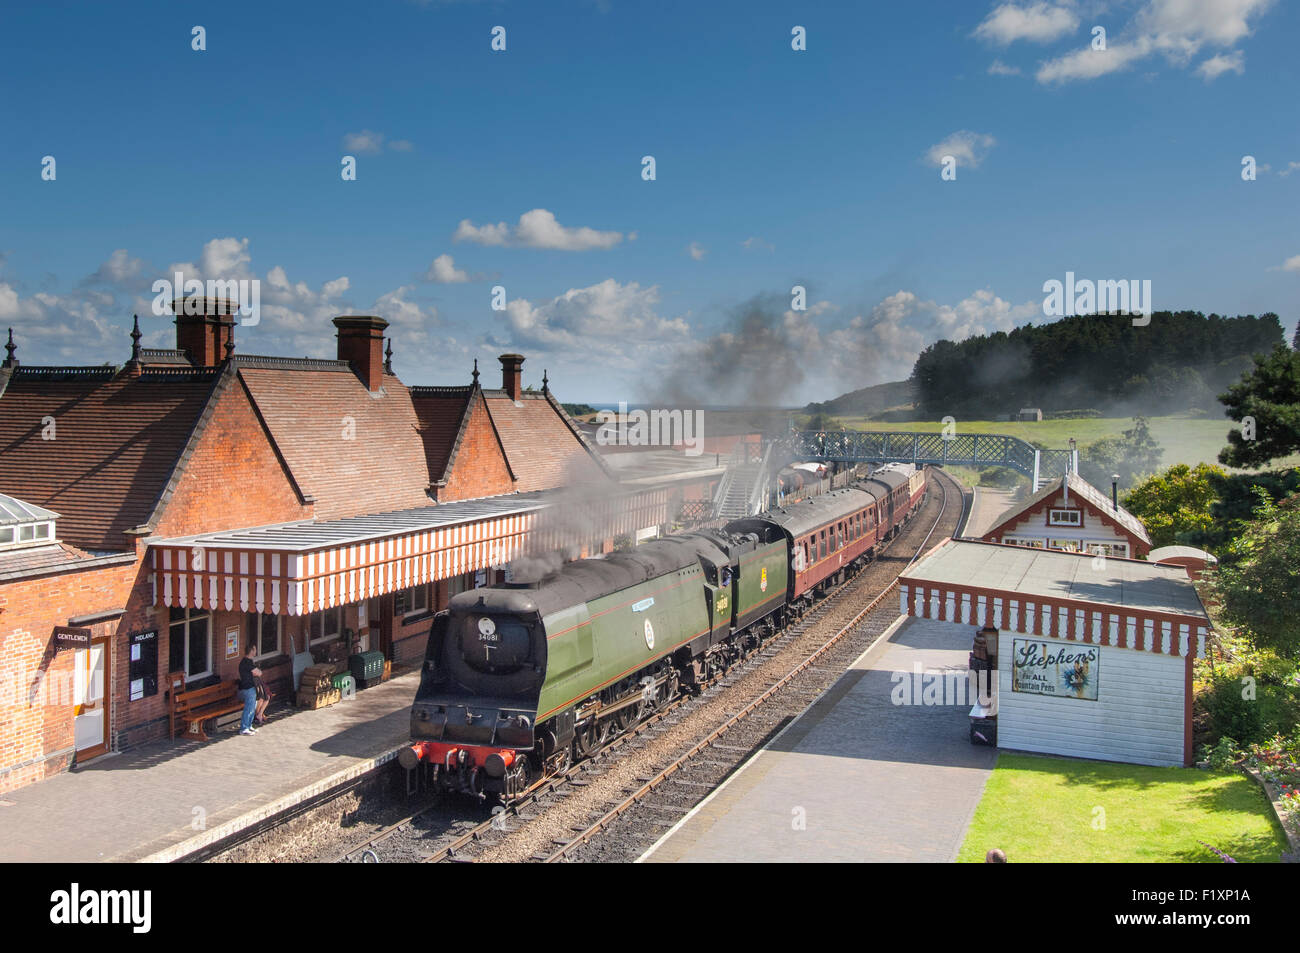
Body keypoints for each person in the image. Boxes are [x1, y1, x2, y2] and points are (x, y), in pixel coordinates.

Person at [238, 642, 262, 736]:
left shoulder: (249, 662)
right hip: (247, 688)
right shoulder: (246, 662)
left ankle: (249, 725)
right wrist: (258, 671)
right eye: (255, 649)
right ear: (251, 651)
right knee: (249, 707)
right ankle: (244, 728)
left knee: (252, 707)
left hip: (251, 688)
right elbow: (258, 672)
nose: (256, 651)